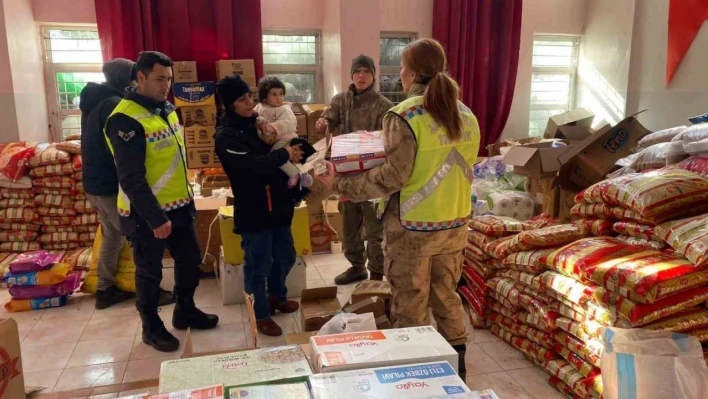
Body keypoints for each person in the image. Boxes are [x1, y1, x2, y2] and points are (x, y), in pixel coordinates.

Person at [315, 39, 480, 380]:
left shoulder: (404, 115)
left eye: (403, 67)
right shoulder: (466, 114)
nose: (400, 74)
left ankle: (418, 376)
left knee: (410, 301)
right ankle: (457, 367)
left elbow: (393, 176)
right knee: (446, 293)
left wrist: (339, 184)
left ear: (415, 72)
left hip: (413, 229)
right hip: (454, 224)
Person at [104, 51, 218, 352]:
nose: (165, 84)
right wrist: (156, 218)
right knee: (150, 272)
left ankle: (185, 310)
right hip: (146, 214)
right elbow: (130, 178)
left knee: (190, 260)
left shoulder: (166, 109)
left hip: (178, 205)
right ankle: (151, 327)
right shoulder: (124, 119)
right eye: (159, 79)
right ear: (139, 78)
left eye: (168, 79)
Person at [214, 74, 308, 337]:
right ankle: (261, 313)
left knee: (286, 255)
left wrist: (295, 151)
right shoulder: (226, 136)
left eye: (250, 96)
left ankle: (277, 296)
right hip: (254, 209)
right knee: (258, 264)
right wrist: (283, 154)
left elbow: (276, 147)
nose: (250, 102)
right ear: (229, 104)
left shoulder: (257, 123)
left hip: (278, 203)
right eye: (243, 99)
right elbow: (252, 166)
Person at [79, 58, 175, 310]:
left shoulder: (95, 101)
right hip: (111, 185)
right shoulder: (116, 106)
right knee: (140, 239)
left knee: (112, 236)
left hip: (93, 182)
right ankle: (149, 293)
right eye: (135, 77)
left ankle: (105, 288)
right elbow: (123, 154)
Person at [314, 54, 392, 284]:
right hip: (346, 175)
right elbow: (328, 122)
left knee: (375, 228)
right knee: (349, 225)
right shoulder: (340, 101)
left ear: (373, 76)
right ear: (351, 74)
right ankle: (357, 266)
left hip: (373, 177)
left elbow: (390, 138)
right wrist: (323, 124)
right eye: (357, 71)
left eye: (366, 71)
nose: (361, 75)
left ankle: (377, 273)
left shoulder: (384, 106)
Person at [254, 76, 314, 189]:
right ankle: (301, 173)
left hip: (286, 138)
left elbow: (289, 122)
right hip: (269, 140)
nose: (279, 98)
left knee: (277, 154)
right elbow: (254, 115)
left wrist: (272, 127)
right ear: (264, 97)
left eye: (281, 94)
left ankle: (294, 173)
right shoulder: (260, 106)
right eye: (274, 94)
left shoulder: (284, 108)